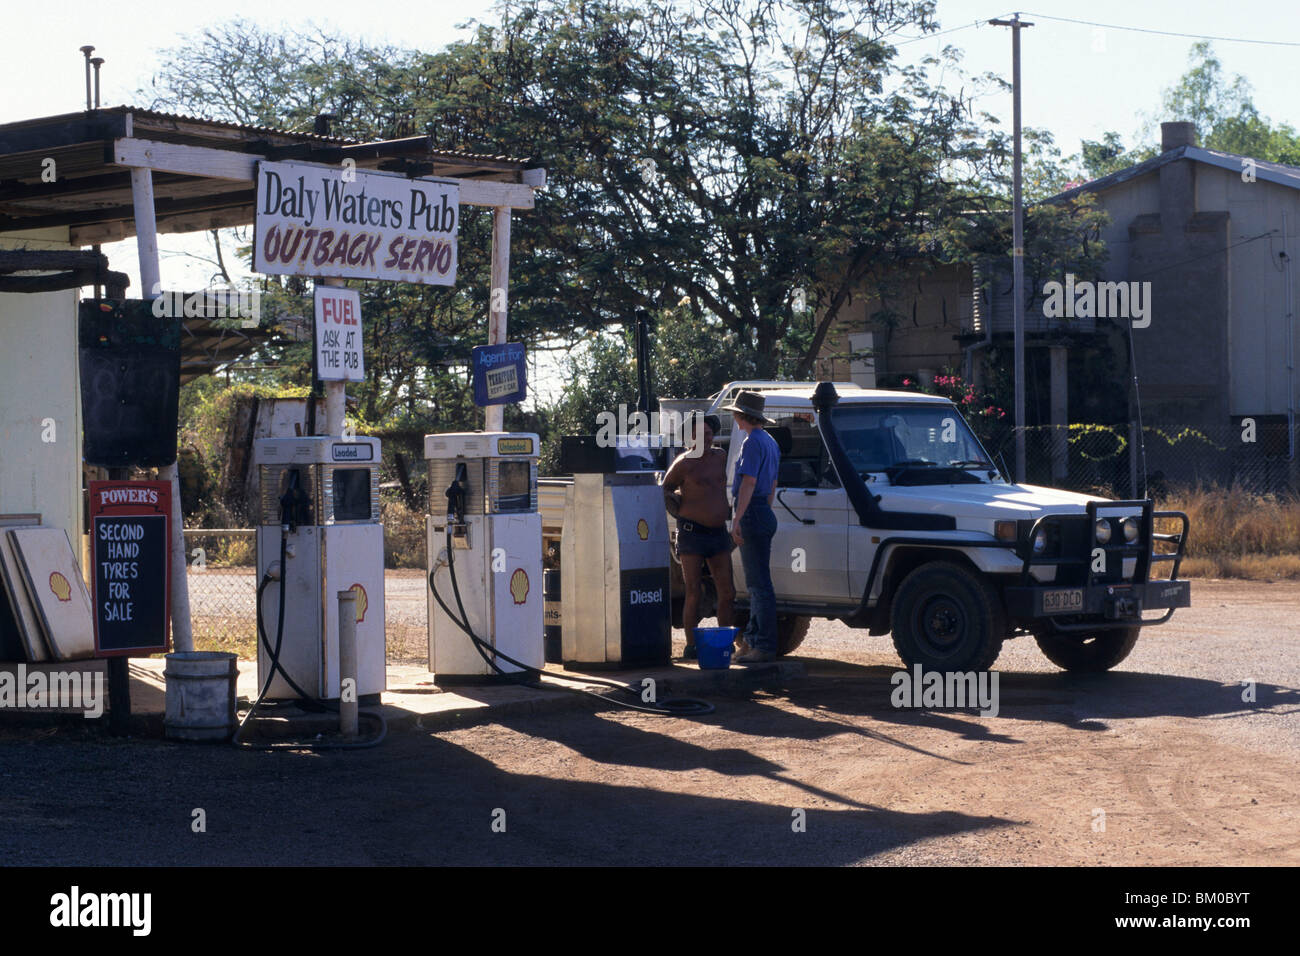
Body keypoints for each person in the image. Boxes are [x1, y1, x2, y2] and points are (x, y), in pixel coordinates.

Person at [661, 412, 735, 660]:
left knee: (727, 591)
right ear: (690, 437)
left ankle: (725, 641)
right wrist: (677, 506)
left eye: (709, 432)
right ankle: (692, 645)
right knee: (694, 590)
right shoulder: (684, 463)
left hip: (718, 534)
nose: (706, 436)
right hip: (691, 534)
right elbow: (665, 487)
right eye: (700, 433)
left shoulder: (721, 457)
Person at [722, 390, 780, 664]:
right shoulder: (770, 441)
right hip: (763, 511)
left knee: (758, 585)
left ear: (741, 415)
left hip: (753, 511)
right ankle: (754, 639)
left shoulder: (751, 443)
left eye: (735, 413)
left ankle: (762, 645)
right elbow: (772, 485)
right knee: (759, 582)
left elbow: (749, 483)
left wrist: (738, 518)